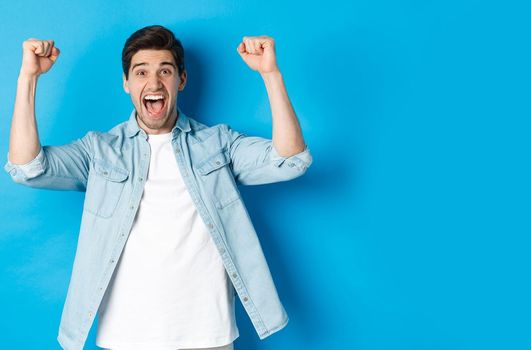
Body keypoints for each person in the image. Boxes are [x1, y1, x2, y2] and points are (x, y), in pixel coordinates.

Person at [4, 25, 312, 350]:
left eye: (165, 71)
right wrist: (28, 78)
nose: (153, 83)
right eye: (141, 72)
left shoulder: (217, 143)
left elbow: (290, 161)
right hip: (126, 336)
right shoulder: (99, 150)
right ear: (126, 83)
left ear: (181, 80)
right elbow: (26, 168)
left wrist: (271, 74)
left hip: (209, 334)